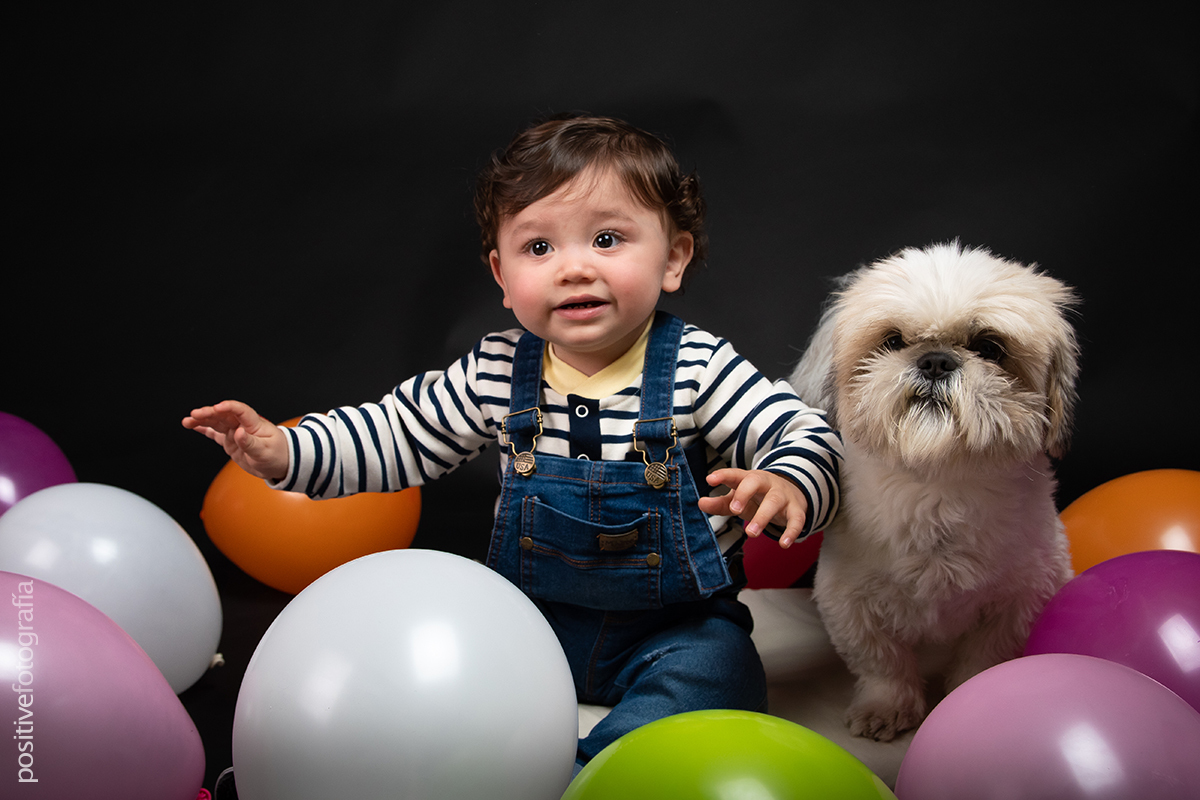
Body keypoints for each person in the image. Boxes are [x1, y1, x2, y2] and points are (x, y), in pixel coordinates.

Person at [184, 113, 842, 771]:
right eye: (539, 248)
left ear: (672, 258)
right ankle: (382, 766)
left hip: (672, 631)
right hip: (530, 626)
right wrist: (287, 452)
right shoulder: (498, 371)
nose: (574, 268)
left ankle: (589, 772)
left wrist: (786, 481)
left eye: (607, 239)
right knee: (432, 673)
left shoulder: (700, 366)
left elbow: (805, 435)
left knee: (721, 677)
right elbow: (397, 434)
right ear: (501, 276)